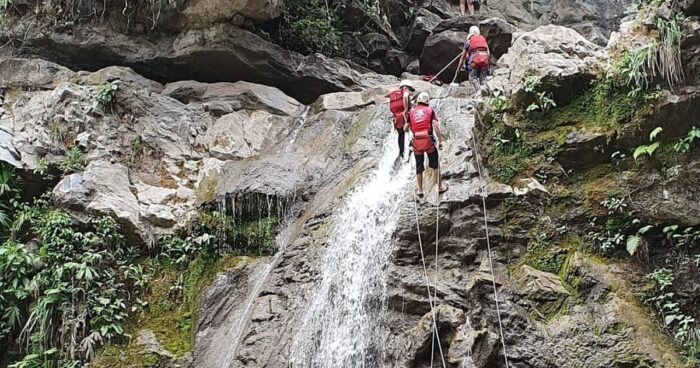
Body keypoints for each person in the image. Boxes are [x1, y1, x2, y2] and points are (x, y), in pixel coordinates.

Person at [405, 92, 448, 197]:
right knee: (435, 164)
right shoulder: (430, 110)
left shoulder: (411, 112)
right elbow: (435, 125)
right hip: (428, 141)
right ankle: (440, 187)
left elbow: (405, 129)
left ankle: (420, 190)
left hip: (416, 142)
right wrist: (441, 139)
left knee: (419, 166)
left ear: (418, 100)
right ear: (427, 101)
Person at [389, 80, 415, 159]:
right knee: (412, 132)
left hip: (397, 118)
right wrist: (406, 109)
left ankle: (401, 152)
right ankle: (411, 150)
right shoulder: (405, 90)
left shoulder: (395, 94)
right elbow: (405, 96)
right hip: (405, 116)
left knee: (401, 134)